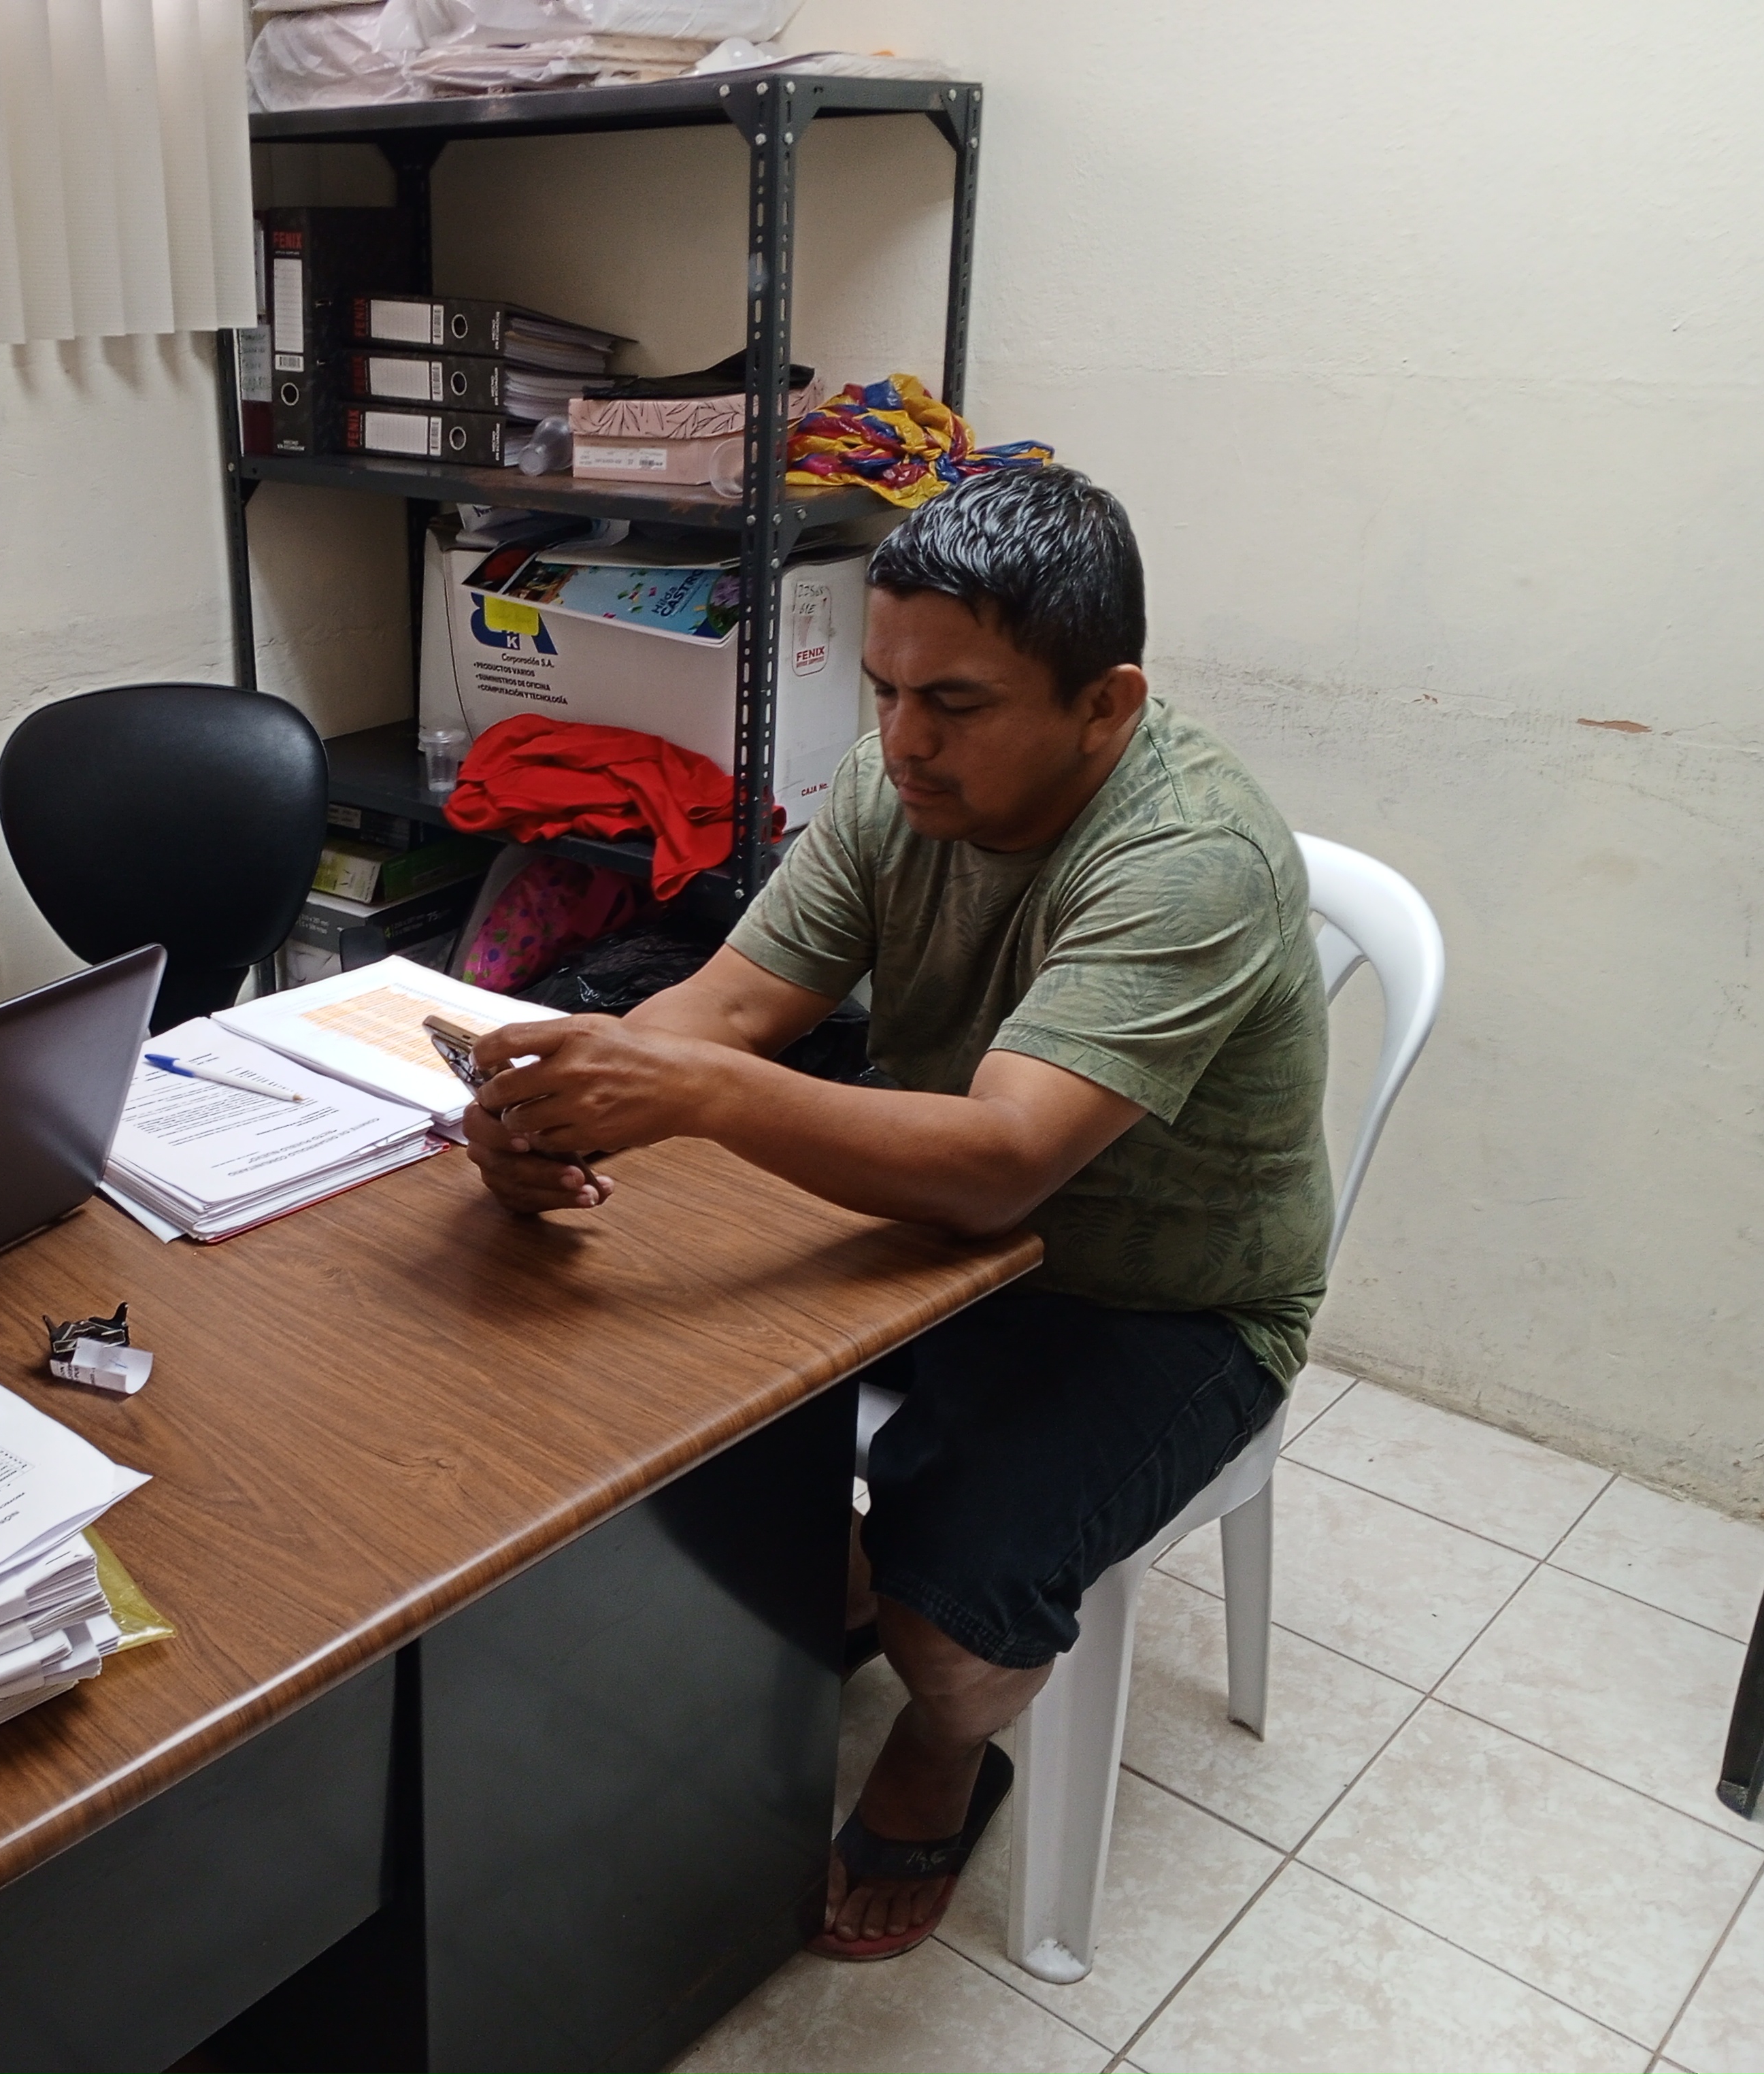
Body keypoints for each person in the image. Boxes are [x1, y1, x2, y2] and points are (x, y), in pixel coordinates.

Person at [459, 465, 1331, 1962]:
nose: (904, 741)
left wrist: (698, 1095)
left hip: (1158, 1295)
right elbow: (733, 1005)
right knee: (633, 1381)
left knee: (950, 1611)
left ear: (1107, 706)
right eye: (885, 690)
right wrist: (573, 1103)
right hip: (942, 1231)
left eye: (958, 705)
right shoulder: (895, 785)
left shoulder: (1192, 859)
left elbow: (1002, 1159)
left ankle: (944, 1739)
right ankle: (843, 1580)